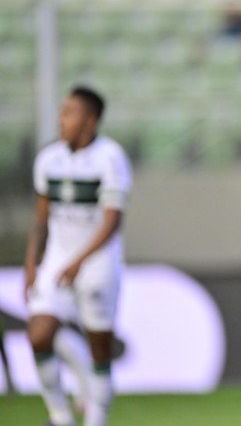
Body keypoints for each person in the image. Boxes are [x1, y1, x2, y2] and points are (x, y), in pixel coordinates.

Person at [24, 86, 133, 426]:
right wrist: (31, 265)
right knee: (39, 334)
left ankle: (96, 418)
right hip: (58, 258)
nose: (61, 119)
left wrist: (79, 262)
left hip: (98, 261)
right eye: (62, 112)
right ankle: (60, 416)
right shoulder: (48, 159)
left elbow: (111, 221)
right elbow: (41, 219)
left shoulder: (110, 158)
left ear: (90, 120)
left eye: (69, 113)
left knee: (100, 348)